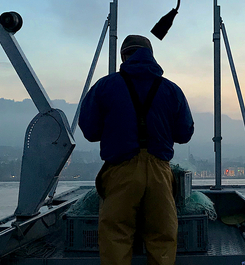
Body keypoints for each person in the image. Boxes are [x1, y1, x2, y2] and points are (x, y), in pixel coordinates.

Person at [79, 34, 194, 265]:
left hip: (120, 169)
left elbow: (90, 131)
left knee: (116, 236)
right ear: (151, 56)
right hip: (160, 171)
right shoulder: (172, 90)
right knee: (162, 238)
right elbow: (184, 133)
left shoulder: (105, 86)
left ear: (124, 56)